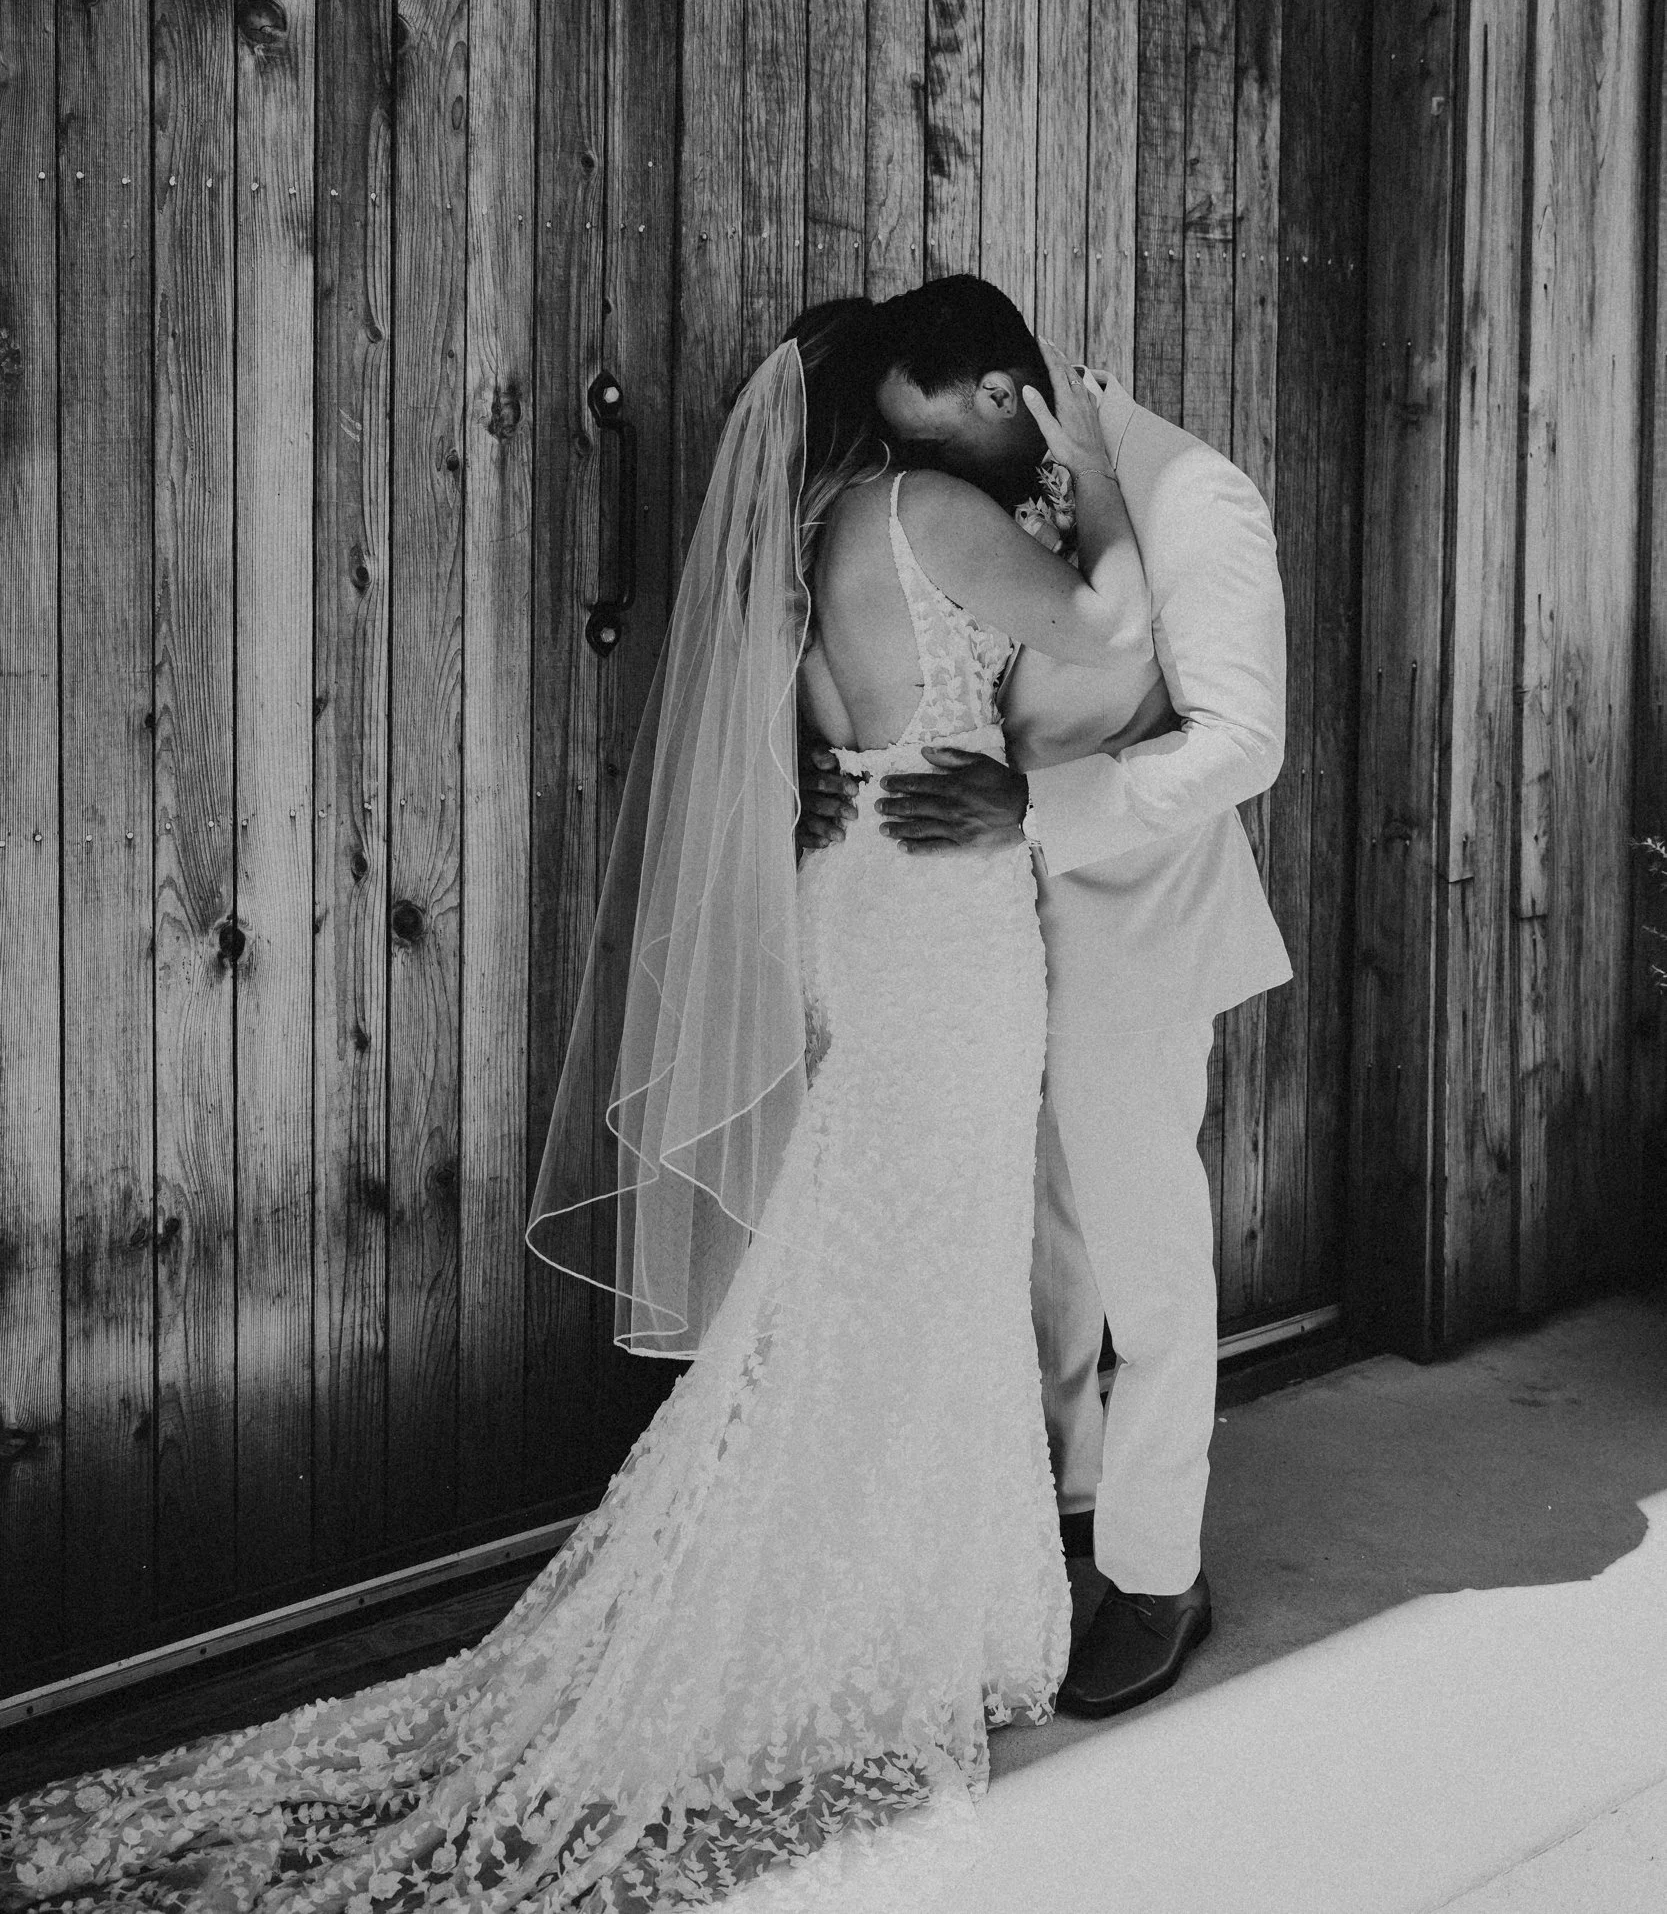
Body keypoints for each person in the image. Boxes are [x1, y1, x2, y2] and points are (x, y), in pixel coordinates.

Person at [0, 301, 1161, 1914]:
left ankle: (852, 1574)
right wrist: (1097, 473)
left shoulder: (793, 543)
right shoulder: (928, 512)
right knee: (932, 1260)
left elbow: (791, 752)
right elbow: (1103, 629)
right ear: (889, 407)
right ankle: (907, 1607)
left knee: (851, 1251)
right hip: (944, 915)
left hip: (846, 896)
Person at [801, 273, 1292, 1722]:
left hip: (1128, 915)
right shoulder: (987, 480)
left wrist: (1034, 811)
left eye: (937, 439)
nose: (926, 470)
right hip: (979, 933)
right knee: (1036, 1242)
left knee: (1144, 1253)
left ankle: (1156, 1573)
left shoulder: (1194, 497)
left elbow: (1243, 742)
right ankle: (1068, 1506)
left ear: (1006, 396)